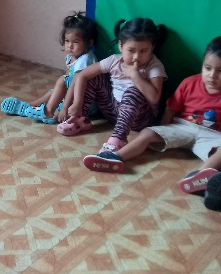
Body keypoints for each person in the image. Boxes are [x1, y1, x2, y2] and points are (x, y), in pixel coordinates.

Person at [81, 37, 221, 198]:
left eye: (220, 71)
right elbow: (170, 109)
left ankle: (200, 178)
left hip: (212, 135)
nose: (212, 75)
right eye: (208, 68)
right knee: (147, 133)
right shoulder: (190, 83)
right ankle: (115, 157)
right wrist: (163, 130)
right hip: (184, 126)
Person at [58, 18, 168, 155]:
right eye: (131, 50)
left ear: (152, 47)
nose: (136, 57)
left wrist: (135, 76)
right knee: (93, 77)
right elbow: (82, 75)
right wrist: (77, 104)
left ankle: (118, 139)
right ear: (120, 45)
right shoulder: (115, 60)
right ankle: (81, 119)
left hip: (139, 120)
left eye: (143, 51)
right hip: (113, 111)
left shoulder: (154, 66)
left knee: (133, 91)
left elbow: (154, 98)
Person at [0, 12, 98, 123]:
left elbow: (74, 84)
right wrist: (61, 94)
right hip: (76, 94)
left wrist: (65, 107)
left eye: (76, 42)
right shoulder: (71, 57)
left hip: (87, 103)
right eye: (67, 41)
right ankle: (31, 106)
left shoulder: (85, 59)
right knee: (54, 91)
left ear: (89, 43)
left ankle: (48, 112)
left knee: (62, 81)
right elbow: (70, 80)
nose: (70, 46)